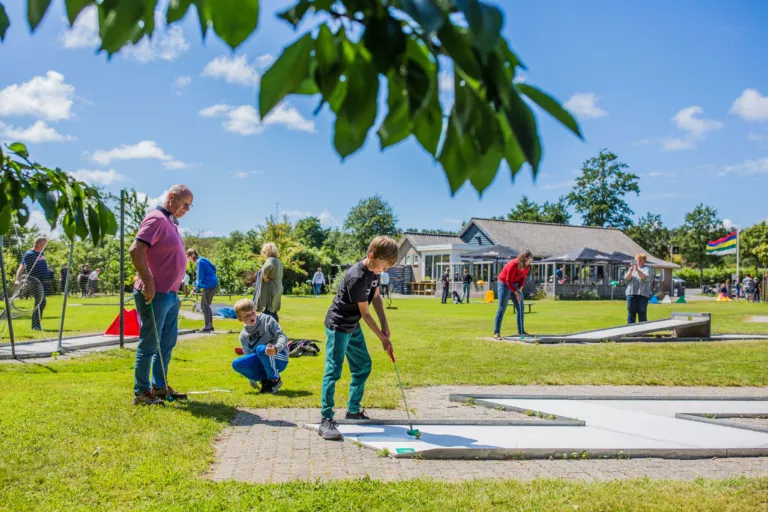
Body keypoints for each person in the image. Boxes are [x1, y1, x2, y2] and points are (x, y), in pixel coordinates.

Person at [318, 236, 398, 441]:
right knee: (334, 370)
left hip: (352, 325)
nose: (385, 269)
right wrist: (382, 338)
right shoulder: (356, 276)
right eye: (384, 265)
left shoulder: (374, 272)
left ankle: (353, 411)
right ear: (371, 256)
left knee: (363, 365)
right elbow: (365, 313)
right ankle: (326, 419)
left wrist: (386, 325)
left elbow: (377, 297)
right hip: (338, 325)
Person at [129, 184, 193, 406]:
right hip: (155, 294)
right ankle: (141, 392)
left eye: (190, 206)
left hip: (170, 295)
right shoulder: (156, 218)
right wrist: (148, 281)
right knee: (150, 343)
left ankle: (159, 386)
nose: (187, 209)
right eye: (184, 203)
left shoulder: (171, 223)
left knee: (166, 343)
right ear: (171, 197)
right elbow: (136, 250)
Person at [231, 298, 289, 393]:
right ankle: (265, 381)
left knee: (261, 349)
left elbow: (283, 337)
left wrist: (276, 348)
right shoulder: (243, 336)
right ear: (239, 319)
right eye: (246, 315)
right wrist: (252, 380)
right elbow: (248, 355)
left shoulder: (267, 319)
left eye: (252, 312)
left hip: (279, 356)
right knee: (236, 364)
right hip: (262, 359)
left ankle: (274, 379)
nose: (251, 316)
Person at [15, 237, 53, 331]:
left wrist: (48, 270)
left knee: (42, 302)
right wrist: (17, 279)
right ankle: (35, 326)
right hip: (34, 281)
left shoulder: (41, 253)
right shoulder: (29, 254)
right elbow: (21, 267)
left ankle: (36, 325)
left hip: (43, 282)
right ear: (39, 244)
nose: (46, 246)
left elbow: (41, 265)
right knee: (41, 301)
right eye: (45, 244)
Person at [493, 251, 533, 340]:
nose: (530, 262)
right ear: (524, 258)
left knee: (520, 308)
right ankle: (496, 332)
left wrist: (520, 288)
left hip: (515, 284)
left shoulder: (527, 266)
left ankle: (521, 331)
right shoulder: (513, 264)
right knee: (502, 307)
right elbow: (508, 281)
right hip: (504, 284)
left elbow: (523, 278)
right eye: (529, 260)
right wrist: (516, 293)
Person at [186, 248, 219, 333]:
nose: (189, 260)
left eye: (189, 258)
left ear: (192, 256)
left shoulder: (199, 262)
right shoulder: (204, 259)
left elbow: (200, 277)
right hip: (213, 283)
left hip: (209, 285)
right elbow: (214, 268)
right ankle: (210, 325)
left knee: (204, 305)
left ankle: (207, 326)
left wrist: (195, 288)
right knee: (206, 305)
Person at [255, 243, 283, 323]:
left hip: (270, 289)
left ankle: (268, 331)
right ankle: (276, 330)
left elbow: (267, 267)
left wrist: (264, 275)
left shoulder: (270, 260)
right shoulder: (278, 261)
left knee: (266, 311)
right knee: (273, 312)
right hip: (277, 287)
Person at [625, 253, 652, 324]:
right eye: (637, 259)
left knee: (642, 313)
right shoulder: (632, 268)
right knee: (631, 313)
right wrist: (630, 271)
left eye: (640, 259)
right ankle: (631, 332)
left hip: (643, 294)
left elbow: (644, 278)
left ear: (644, 260)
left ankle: (642, 332)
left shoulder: (647, 268)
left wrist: (637, 270)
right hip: (631, 293)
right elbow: (627, 278)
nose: (638, 261)